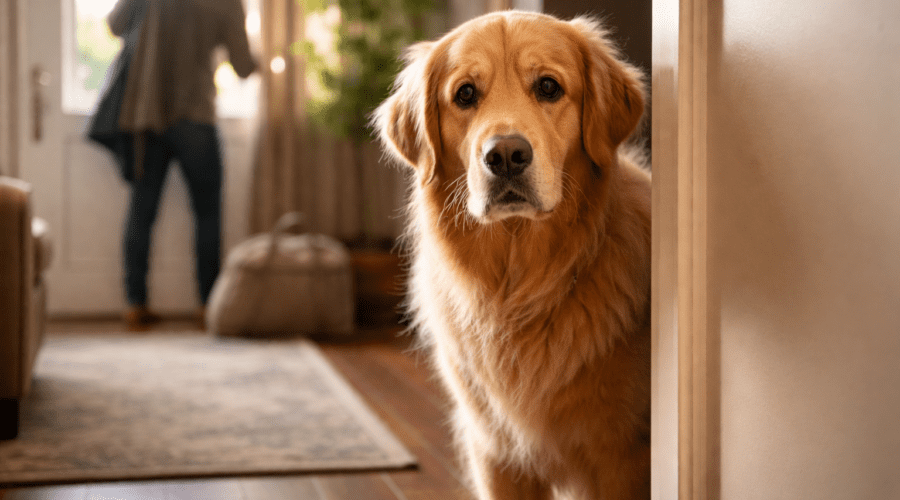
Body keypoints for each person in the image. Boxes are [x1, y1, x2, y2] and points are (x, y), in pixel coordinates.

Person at [89, 0, 258, 330]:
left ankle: (135, 304)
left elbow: (115, 25)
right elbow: (243, 65)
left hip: (147, 115)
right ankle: (207, 305)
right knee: (207, 214)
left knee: (142, 211)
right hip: (196, 117)